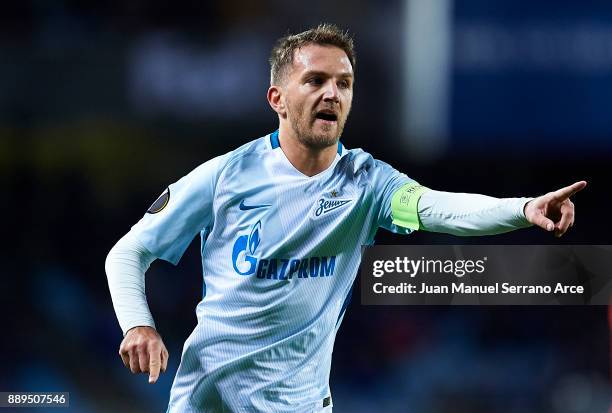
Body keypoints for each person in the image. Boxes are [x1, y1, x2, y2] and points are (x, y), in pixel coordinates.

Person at [105, 23, 586, 412]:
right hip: (207, 400)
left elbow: (439, 207)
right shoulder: (227, 176)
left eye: (344, 83)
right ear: (277, 99)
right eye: (315, 81)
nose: (332, 93)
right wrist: (138, 325)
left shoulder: (367, 183)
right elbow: (129, 251)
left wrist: (522, 209)